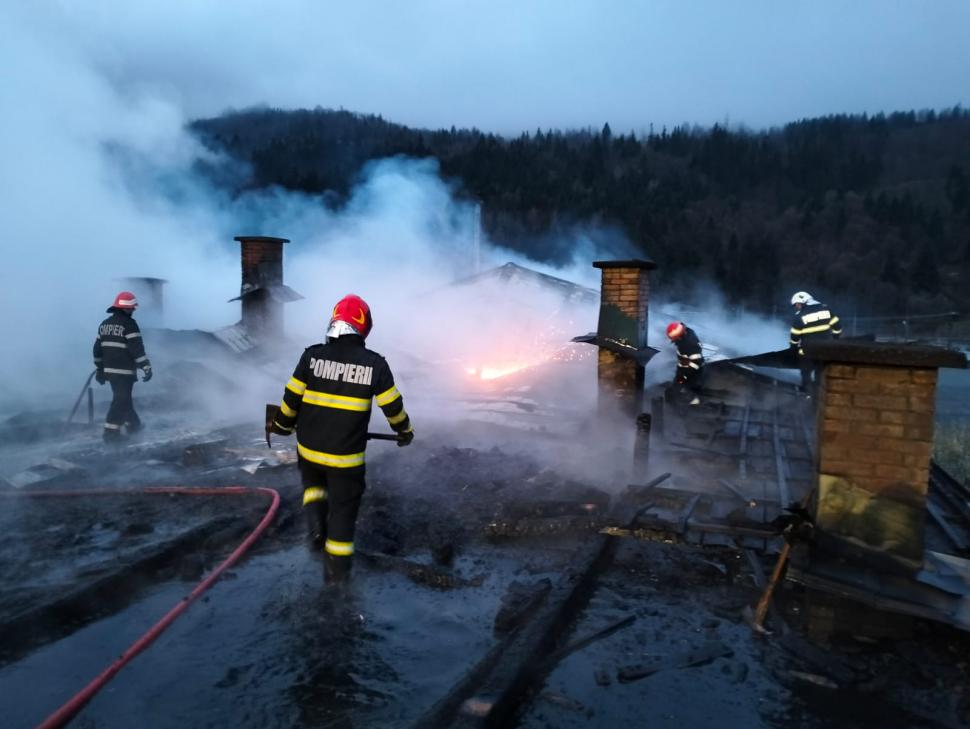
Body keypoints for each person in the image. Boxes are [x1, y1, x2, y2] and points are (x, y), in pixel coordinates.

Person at [269, 293, 414, 584]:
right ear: (364, 327)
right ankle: (336, 581)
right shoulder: (375, 365)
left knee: (313, 486)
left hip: (308, 449)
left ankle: (314, 529)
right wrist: (404, 432)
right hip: (345, 459)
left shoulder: (311, 356)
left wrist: (282, 426)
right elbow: (393, 408)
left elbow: (290, 399)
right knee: (344, 514)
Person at [93, 291, 153, 441]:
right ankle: (110, 433)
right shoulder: (129, 324)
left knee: (124, 399)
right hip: (124, 372)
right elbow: (136, 349)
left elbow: (97, 349)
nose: (133, 311)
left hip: (110, 372)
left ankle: (134, 426)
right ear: (125, 308)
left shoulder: (104, 325)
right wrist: (146, 366)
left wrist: (100, 370)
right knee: (120, 400)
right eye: (132, 308)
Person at [789, 291, 842, 396]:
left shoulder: (799, 316)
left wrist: (793, 349)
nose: (797, 307)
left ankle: (806, 392)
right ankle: (819, 391)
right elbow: (838, 327)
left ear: (803, 302)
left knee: (806, 371)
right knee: (820, 370)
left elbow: (795, 337)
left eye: (797, 305)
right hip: (825, 348)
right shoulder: (826, 309)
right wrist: (835, 339)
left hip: (807, 350)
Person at [666, 321, 704, 406]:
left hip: (692, 372)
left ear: (679, 337)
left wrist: (684, 377)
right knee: (677, 386)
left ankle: (692, 406)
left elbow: (696, 363)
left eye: (674, 339)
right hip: (685, 369)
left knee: (688, 388)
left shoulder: (689, 345)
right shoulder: (687, 333)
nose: (673, 341)